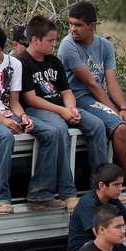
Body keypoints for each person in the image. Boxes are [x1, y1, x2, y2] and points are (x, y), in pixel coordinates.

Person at [59, 1, 126, 210]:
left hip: (100, 96)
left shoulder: (105, 46)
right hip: (80, 98)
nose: (73, 29)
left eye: (78, 25)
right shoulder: (68, 45)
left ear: (92, 26)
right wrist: (117, 114)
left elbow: (111, 82)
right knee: (120, 127)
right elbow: (91, 85)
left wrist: (123, 107)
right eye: (71, 24)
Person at [0, 22, 60, 214]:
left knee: (51, 133)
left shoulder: (14, 64)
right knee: (4, 137)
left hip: (7, 114)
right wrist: (3, 120)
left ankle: (40, 191)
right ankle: (0, 197)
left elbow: (14, 102)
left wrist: (24, 117)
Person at [19, 14, 106, 212]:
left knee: (97, 125)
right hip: (37, 109)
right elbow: (31, 98)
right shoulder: (22, 62)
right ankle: (68, 193)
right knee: (59, 130)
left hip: (61, 107)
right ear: (35, 40)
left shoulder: (54, 61)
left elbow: (67, 92)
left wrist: (71, 108)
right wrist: (62, 112)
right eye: (50, 40)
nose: (53, 44)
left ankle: (100, 187)